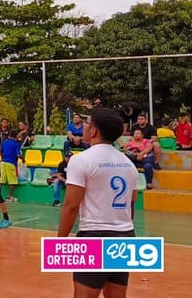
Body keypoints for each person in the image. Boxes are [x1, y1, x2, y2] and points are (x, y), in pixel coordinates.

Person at [58, 107, 139, 298]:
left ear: (94, 131)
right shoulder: (128, 164)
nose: (84, 128)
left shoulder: (81, 160)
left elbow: (71, 206)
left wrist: (60, 241)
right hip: (126, 234)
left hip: (95, 235)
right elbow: (131, 204)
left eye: (87, 124)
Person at [0, 130, 23, 202]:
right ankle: (10, 197)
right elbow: (18, 155)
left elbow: (1, 152)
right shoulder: (16, 144)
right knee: (12, 181)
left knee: (2, 180)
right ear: (16, 136)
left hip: (2, 162)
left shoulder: (4, 142)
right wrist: (23, 159)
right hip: (11, 163)